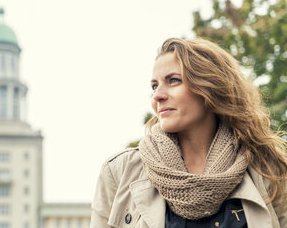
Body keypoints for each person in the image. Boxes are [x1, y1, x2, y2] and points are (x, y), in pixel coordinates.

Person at [90, 38, 287, 228]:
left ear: (211, 88)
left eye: (173, 80)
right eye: (154, 85)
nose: (157, 95)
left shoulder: (269, 171)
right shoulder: (119, 171)